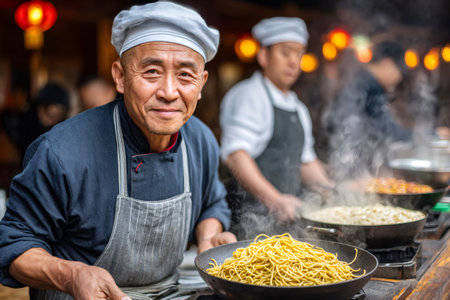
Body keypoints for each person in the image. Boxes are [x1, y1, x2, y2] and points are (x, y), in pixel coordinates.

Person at [0, 2, 236, 299]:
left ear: (201, 84)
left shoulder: (200, 140)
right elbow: (13, 245)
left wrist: (209, 235)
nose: (168, 91)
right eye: (151, 71)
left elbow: (213, 203)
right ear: (120, 77)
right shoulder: (62, 151)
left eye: (185, 75)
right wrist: (73, 275)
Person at [219, 17, 334, 240]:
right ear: (263, 56)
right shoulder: (249, 95)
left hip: (286, 225)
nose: (294, 62)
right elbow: (235, 155)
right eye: (285, 52)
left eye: (299, 54)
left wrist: (332, 192)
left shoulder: (297, 106)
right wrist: (276, 200)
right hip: (249, 227)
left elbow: (305, 161)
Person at [322, 41, 412, 180]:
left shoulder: (363, 81)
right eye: (399, 72)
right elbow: (386, 129)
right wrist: (424, 137)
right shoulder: (367, 85)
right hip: (348, 167)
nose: (398, 79)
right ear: (387, 63)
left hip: (349, 164)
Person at [1, 83, 70, 160]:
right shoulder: (15, 126)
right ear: (39, 107)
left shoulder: (60, 136)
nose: (53, 121)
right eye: (50, 115)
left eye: (59, 117)